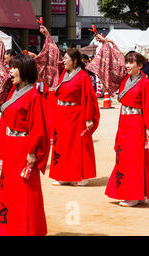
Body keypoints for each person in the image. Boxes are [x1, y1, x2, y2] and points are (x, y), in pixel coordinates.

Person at [0, 54, 50, 236]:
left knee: (25, 189)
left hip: (23, 147)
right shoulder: (13, 91)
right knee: (10, 187)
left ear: (25, 71)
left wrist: (32, 152)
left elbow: (37, 127)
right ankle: (10, 227)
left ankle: (27, 229)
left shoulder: (33, 96)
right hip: (12, 146)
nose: (11, 71)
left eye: (15, 67)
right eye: (11, 67)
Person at [93, 36, 149, 207]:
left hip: (137, 123)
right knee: (123, 157)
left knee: (134, 159)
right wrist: (107, 43)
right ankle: (138, 194)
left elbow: (147, 107)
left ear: (140, 66)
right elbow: (115, 59)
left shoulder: (145, 83)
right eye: (127, 62)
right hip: (124, 122)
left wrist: (148, 130)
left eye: (131, 63)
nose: (127, 65)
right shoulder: (124, 80)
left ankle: (134, 195)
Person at [49, 47, 100, 186]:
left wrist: (89, 118)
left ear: (75, 60)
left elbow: (89, 98)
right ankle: (62, 175)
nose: (63, 61)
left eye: (66, 58)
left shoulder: (83, 76)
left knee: (76, 146)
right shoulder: (63, 74)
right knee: (62, 145)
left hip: (75, 115)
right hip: (61, 114)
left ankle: (81, 176)